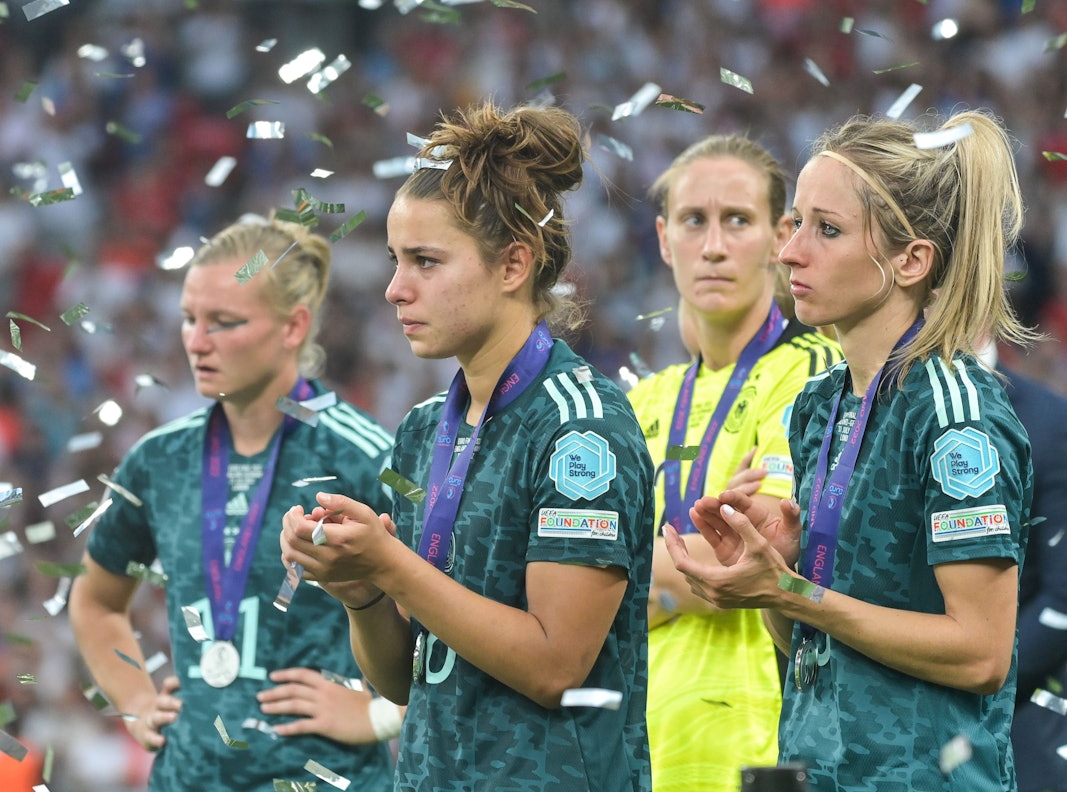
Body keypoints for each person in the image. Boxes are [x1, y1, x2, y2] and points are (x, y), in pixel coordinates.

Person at [278, 100, 655, 792]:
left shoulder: (581, 427)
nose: (395, 288)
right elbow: (402, 680)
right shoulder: (423, 429)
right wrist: (360, 592)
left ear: (513, 264)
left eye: (425, 261)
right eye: (395, 261)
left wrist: (391, 563)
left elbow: (554, 667)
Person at [664, 110, 1035, 792]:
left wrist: (793, 590)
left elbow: (981, 653)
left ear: (909, 260)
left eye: (825, 230)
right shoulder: (818, 407)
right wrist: (771, 570)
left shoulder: (955, 415)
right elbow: (806, 643)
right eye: (797, 221)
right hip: (817, 770)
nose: (788, 251)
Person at [68, 214, 399, 791]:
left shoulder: (366, 455)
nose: (197, 341)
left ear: (293, 327)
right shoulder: (158, 459)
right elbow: (96, 600)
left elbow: (451, 617)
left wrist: (381, 715)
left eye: (224, 322)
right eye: (190, 319)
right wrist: (137, 701)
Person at [627, 133, 842, 792]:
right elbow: (569, 587)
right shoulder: (638, 403)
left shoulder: (814, 376)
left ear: (781, 236)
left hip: (766, 750)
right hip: (639, 752)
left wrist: (633, 572)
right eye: (694, 220)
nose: (713, 246)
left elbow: (760, 563)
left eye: (737, 221)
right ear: (663, 239)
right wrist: (692, 560)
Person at [998, 360, 1067, 792]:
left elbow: (1063, 593)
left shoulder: (1048, 419)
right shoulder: (860, 407)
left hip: (1013, 714)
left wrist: (980, 675)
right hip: (876, 717)